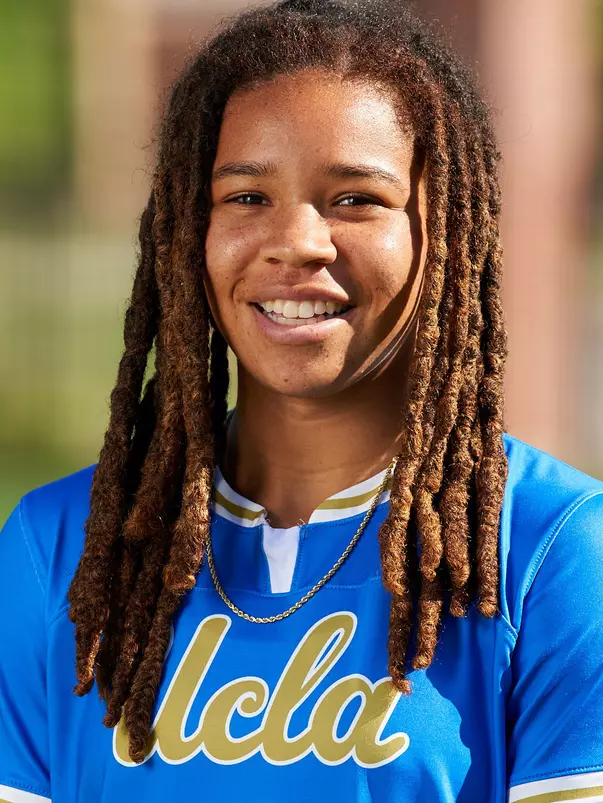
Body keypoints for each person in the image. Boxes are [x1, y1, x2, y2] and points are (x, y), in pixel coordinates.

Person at [1, 0, 603, 800]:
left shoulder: (552, 551)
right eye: (246, 197)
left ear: (445, 234)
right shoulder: (60, 549)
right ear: (191, 230)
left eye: (356, 198)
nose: (298, 240)